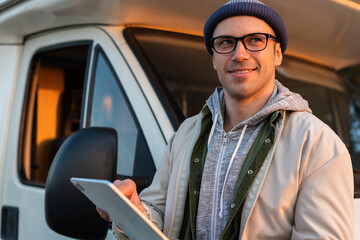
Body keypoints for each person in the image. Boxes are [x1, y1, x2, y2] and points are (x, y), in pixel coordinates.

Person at [97, 0, 355, 239]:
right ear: (213, 58)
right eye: (225, 43)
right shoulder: (187, 132)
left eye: (255, 40)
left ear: (277, 54)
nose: (240, 54)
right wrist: (129, 211)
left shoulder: (318, 144)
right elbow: (160, 217)